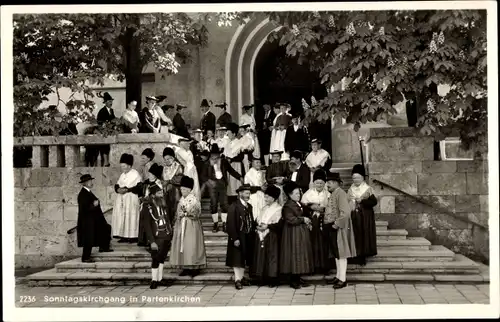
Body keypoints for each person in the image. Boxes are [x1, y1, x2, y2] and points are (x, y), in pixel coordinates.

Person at [169, 176, 207, 277]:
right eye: (181, 189)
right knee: (183, 246)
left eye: (185, 189)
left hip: (192, 225)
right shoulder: (181, 200)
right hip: (181, 225)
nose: (183, 191)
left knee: (191, 245)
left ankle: (194, 267)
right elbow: (177, 212)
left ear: (190, 190)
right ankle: (185, 267)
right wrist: (178, 216)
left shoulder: (194, 200)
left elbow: (197, 213)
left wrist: (186, 214)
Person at [324, 172, 357, 289]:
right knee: (337, 254)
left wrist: (336, 224)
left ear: (336, 183)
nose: (327, 185)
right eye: (327, 182)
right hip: (334, 227)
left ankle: (343, 279)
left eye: (329, 182)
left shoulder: (341, 194)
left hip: (339, 228)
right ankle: (338, 276)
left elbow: (346, 212)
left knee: (341, 254)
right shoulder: (334, 193)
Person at [280, 181, 314, 289]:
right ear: (290, 195)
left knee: (299, 254)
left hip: (298, 232)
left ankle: (298, 277)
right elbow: (290, 219)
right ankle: (293, 280)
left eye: (299, 193)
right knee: (294, 254)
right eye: (295, 194)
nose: (298, 195)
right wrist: (303, 219)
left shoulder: (297, 204)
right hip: (292, 233)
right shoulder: (288, 206)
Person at [142, 183, 174, 289]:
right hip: (156, 236)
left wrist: (170, 233)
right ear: (153, 195)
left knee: (162, 257)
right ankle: (154, 280)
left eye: (161, 192)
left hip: (166, 234)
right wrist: (152, 241)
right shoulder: (148, 206)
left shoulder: (164, 204)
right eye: (159, 193)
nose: (161, 194)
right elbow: (146, 225)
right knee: (155, 258)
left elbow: (168, 219)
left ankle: (160, 279)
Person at [205, 144, 242, 233]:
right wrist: (209, 182)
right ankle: (215, 224)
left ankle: (225, 224)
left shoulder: (224, 161)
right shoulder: (207, 163)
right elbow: (203, 176)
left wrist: (239, 177)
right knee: (213, 205)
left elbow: (231, 170)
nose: (215, 156)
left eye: (217, 154)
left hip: (222, 185)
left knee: (224, 205)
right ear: (211, 155)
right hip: (212, 186)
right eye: (213, 154)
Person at [250, 185, 282, 287]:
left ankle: (272, 279)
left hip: (271, 235)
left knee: (271, 257)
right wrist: (258, 226)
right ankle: (261, 278)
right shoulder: (264, 208)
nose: (265, 199)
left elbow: (279, 224)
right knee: (261, 257)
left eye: (267, 197)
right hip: (261, 234)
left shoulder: (279, 209)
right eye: (265, 196)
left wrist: (267, 226)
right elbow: (258, 219)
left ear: (273, 198)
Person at [77, 174, 113, 263]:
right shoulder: (83, 194)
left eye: (91, 181)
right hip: (87, 221)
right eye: (89, 181)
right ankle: (85, 257)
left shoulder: (88, 192)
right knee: (88, 239)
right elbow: (84, 209)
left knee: (106, 228)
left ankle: (103, 247)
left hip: (94, 219)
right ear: (84, 183)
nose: (91, 182)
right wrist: (94, 205)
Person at [301, 169, 331, 275]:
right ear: (313, 183)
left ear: (324, 183)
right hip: (312, 221)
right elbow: (303, 208)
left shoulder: (328, 194)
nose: (319, 185)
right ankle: (313, 267)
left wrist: (323, 209)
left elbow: (331, 207)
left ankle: (324, 267)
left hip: (324, 221)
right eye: (317, 183)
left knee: (323, 244)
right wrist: (311, 207)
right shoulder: (307, 194)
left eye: (321, 183)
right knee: (312, 243)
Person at [347, 164, 378, 266]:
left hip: (365, 216)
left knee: (363, 235)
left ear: (363, 178)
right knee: (355, 235)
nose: (355, 180)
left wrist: (363, 201)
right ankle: (355, 254)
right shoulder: (350, 190)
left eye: (358, 177)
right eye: (354, 178)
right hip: (354, 216)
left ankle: (363, 256)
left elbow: (374, 202)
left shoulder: (368, 189)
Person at [226, 184, 255, 290]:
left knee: (243, 258)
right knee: (237, 259)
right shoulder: (234, 206)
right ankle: (237, 280)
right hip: (238, 237)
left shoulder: (249, 206)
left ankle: (241, 278)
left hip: (246, 236)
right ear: (240, 194)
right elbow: (230, 224)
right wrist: (235, 238)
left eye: (249, 193)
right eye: (246, 193)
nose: (248, 195)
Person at [112, 153, 142, 243]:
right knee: (122, 217)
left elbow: (139, 187)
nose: (122, 168)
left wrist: (127, 190)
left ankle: (133, 237)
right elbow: (117, 184)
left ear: (129, 166)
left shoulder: (135, 174)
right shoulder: (122, 175)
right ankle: (123, 236)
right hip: (122, 199)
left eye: (124, 166)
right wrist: (118, 189)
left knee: (131, 217)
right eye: (121, 166)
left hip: (131, 199)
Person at [138, 163, 164, 247]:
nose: (149, 175)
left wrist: (149, 198)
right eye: (149, 173)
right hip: (146, 205)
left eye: (151, 174)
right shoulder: (147, 183)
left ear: (155, 175)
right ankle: (144, 240)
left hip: (154, 206)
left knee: (151, 222)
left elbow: (159, 196)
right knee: (145, 221)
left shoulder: (158, 184)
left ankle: (152, 240)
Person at [222, 123, 245, 204]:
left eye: (229, 133)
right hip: (228, 167)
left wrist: (231, 159)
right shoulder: (228, 143)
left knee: (236, 185)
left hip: (236, 166)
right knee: (230, 187)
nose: (228, 135)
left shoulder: (239, 143)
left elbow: (240, 157)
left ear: (234, 134)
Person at [96, 92, 116, 166]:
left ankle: (108, 162)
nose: (111, 103)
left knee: (108, 147)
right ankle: (105, 162)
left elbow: (113, 120)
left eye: (111, 101)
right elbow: (99, 122)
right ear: (105, 102)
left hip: (110, 132)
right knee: (104, 148)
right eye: (109, 101)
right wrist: (104, 125)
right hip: (103, 132)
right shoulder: (102, 111)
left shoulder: (111, 111)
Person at [244, 158, 266, 224]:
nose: (259, 164)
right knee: (254, 212)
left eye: (259, 162)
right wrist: (259, 188)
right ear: (252, 163)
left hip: (262, 195)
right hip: (253, 196)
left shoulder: (261, 173)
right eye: (257, 162)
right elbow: (247, 187)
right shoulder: (248, 174)